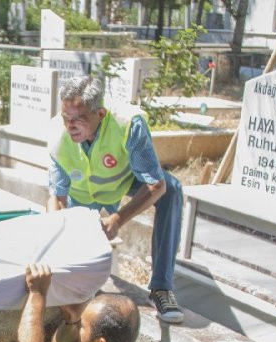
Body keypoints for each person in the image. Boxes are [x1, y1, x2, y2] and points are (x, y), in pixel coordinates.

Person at [48, 75, 186, 325]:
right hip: (82, 194)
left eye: (78, 119)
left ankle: (162, 288)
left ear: (100, 113)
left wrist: (118, 218)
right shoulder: (57, 135)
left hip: (122, 178)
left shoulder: (128, 124)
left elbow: (156, 184)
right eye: (66, 118)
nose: (70, 126)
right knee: (71, 253)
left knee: (172, 190)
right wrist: (53, 237)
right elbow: (56, 197)